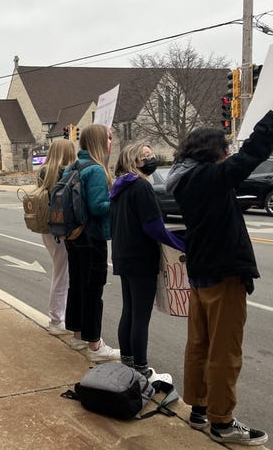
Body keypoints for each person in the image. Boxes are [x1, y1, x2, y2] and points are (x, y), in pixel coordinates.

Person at [165, 86, 273, 446]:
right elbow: (254, 151)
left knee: (199, 345)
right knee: (225, 351)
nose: (229, 153)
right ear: (213, 152)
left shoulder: (186, 180)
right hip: (223, 275)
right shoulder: (210, 177)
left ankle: (200, 408)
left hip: (201, 274)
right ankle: (223, 422)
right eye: (225, 149)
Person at [110, 143, 184, 383]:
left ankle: (128, 363)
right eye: (145, 155)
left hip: (124, 254)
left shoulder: (120, 187)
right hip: (141, 257)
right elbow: (153, 227)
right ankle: (141, 369)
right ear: (134, 161)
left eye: (151, 154)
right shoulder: (141, 187)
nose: (151, 158)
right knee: (140, 314)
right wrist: (181, 244)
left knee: (129, 311)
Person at [62, 123, 120, 362]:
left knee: (77, 285)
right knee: (94, 289)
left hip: (73, 236)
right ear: (97, 141)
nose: (110, 142)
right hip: (91, 236)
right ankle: (95, 345)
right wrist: (116, 198)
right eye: (107, 138)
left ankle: (78, 335)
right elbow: (98, 207)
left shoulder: (73, 167)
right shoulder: (95, 170)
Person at [37, 138, 77, 335]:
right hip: (61, 231)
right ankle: (56, 319)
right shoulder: (66, 173)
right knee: (62, 276)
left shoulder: (45, 172)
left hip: (47, 229)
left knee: (60, 273)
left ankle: (57, 316)